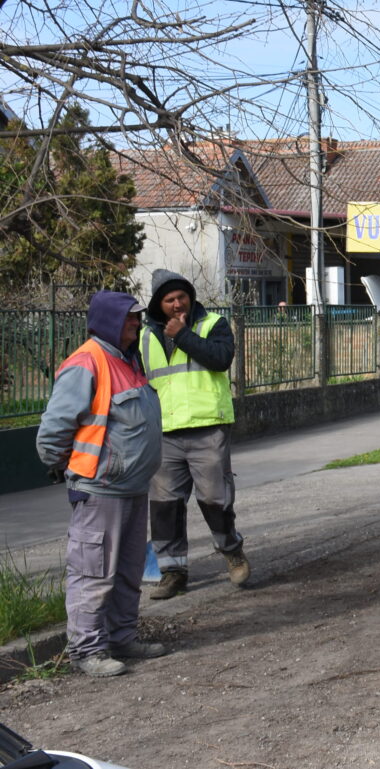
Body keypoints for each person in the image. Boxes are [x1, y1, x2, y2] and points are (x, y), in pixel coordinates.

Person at [36, 290, 170, 678]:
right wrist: (69, 468)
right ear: (110, 319)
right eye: (130, 317)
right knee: (92, 573)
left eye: (137, 317)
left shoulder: (127, 360)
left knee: (127, 570)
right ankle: (87, 649)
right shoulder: (87, 362)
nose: (137, 323)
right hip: (99, 489)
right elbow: (53, 432)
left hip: (130, 487)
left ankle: (122, 637)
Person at [140, 269, 250, 598]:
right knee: (164, 506)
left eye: (181, 297)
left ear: (191, 296)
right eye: (169, 300)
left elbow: (221, 359)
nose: (177, 304)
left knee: (216, 499)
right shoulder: (146, 336)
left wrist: (183, 335)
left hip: (207, 426)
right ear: (158, 305)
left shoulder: (211, 323)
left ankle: (231, 551)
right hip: (165, 432)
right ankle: (173, 572)